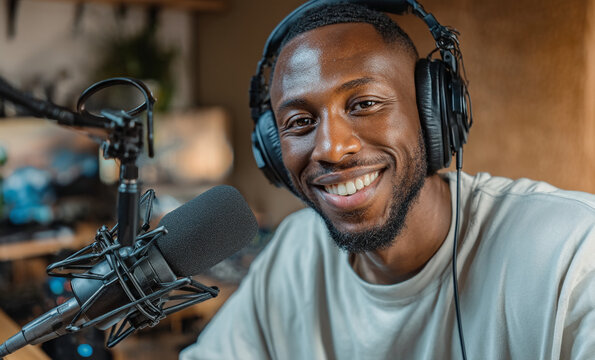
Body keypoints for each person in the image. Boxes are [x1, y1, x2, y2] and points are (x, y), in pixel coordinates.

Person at [181, 1, 595, 359]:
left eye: (365, 104)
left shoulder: (571, 253)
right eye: (301, 121)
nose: (331, 148)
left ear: (433, 114)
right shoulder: (296, 252)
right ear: (272, 149)